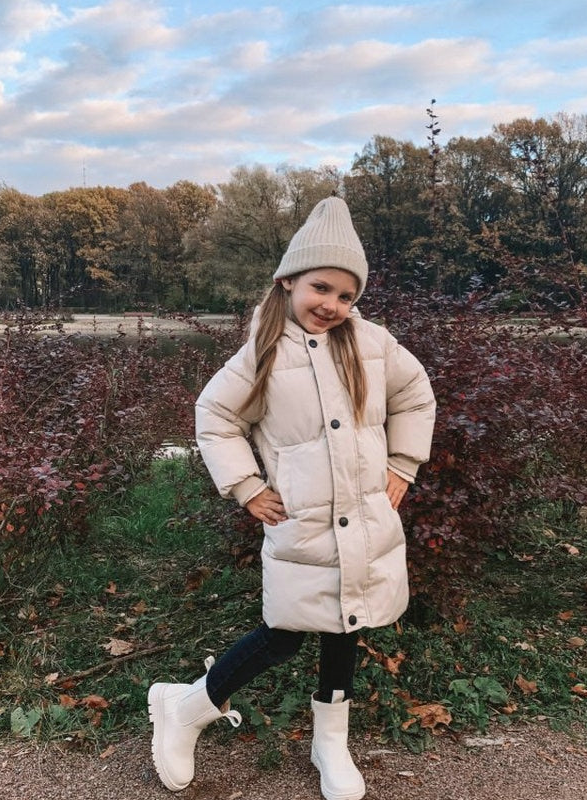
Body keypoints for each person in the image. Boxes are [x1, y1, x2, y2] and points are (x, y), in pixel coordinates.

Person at [148, 195, 436, 800]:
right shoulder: (262, 351)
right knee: (283, 631)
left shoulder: (373, 344)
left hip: (364, 520)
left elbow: (415, 395)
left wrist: (404, 464)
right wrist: (247, 486)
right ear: (288, 281)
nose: (332, 304)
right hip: (302, 523)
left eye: (346, 295)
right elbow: (215, 417)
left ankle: (330, 741)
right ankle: (188, 707)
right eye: (321, 288)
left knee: (346, 626)